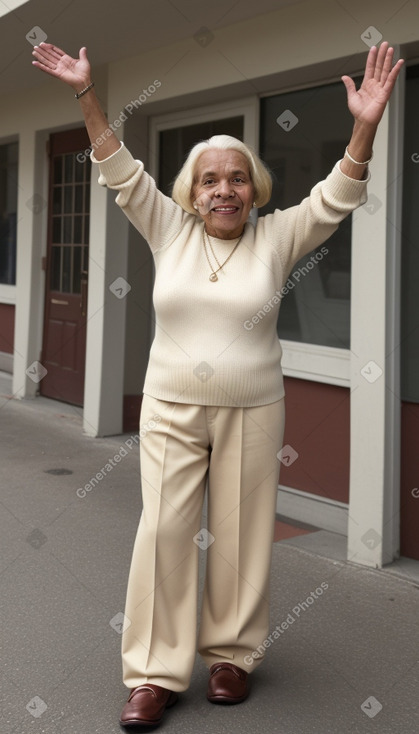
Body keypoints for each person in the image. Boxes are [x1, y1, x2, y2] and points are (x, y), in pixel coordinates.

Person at [32, 40, 403, 729]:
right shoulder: (166, 229)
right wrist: (86, 92)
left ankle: (231, 655)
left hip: (253, 410)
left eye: (236, 178)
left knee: (238, 535)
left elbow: (336, 196)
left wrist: (365, 124)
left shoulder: (277, 237)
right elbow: (118, 168)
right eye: (209, 179)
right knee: (164, 535)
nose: (223, 189)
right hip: (171, 408)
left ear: (253, 189)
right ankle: (153, 673)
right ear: (191, 192)